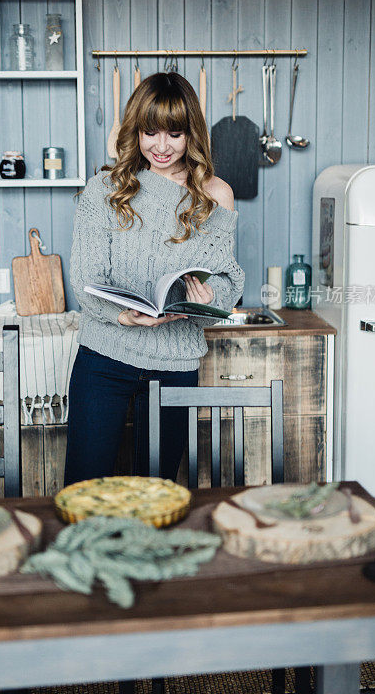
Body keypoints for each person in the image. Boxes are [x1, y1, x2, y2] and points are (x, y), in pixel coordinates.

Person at [64, 71, 245, 485]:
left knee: (156, 493)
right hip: (103, 359)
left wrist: (209, 295)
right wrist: (123, 316)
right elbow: (85, 276)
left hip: (175, 363)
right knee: (84, 488)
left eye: (175, 134)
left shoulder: (216, 194)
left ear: (191, 135)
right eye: (150, 133)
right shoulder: (104, 190)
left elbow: (228, 277)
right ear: (136, 131)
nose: (161, 147)